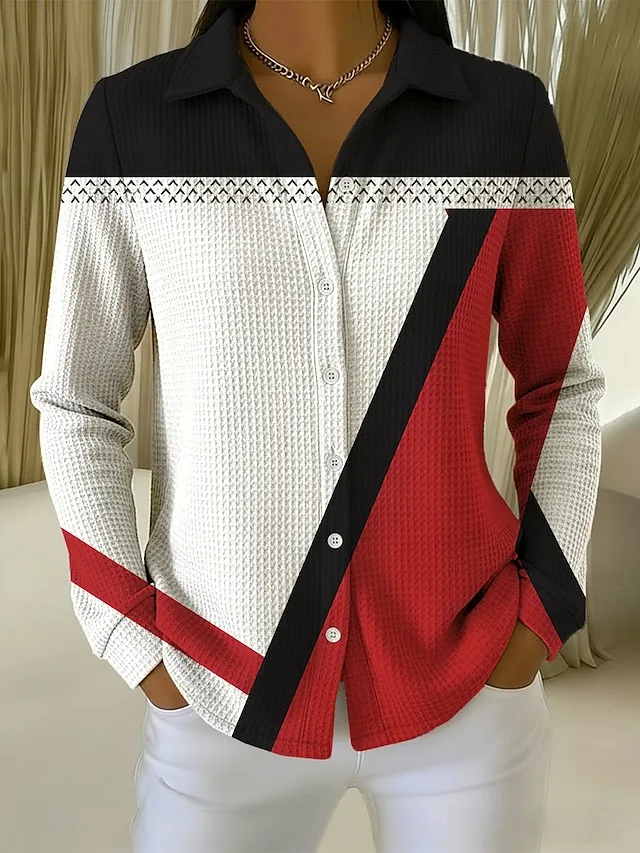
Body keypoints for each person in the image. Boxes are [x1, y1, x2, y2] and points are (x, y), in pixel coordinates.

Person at [29, 0, 606, 851]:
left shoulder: (502, 117)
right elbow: (78, 400)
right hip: (219, 693)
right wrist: (133, 640)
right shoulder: (132, 121)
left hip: (463, 691)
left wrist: (537, 614)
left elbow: (561, 382)